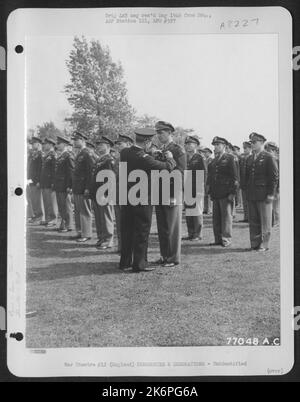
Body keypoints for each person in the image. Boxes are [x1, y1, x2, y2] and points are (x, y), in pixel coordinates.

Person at [119, 127, 176, 273]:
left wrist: (149, 152)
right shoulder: (143, 158)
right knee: (142, 231)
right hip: (142, 199)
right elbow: (166, 167)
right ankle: (139, 264)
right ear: (147, 141)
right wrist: (170, 157)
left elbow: (137, 155)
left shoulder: (125, 152)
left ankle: (125, 262)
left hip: (126, 198)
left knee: (127, 231)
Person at [154, 121, 187, 267]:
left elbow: (179, 172)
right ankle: (165, 255)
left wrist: (174, 194)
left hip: (171, 191)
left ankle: (173, 257)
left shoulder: (177, 149)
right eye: (158, 133)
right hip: (160, 191)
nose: (159, 135)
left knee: (172, 227)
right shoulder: (161, 149)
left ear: (169, 133)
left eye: (161, 132)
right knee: (162, 226)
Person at [245, 132, 279, 251]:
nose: (252, 144)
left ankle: (264, 244)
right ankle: (254, 243)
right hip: (252, 193)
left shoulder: (269, 157)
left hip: (264, 194)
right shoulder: (250, 158)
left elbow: (274, 177)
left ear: (262, 143)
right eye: (251, 142)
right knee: (253, 220)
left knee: (265, 221)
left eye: (254, 142)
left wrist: (271, 194)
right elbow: (247, 177)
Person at [207, 136, 239, 247]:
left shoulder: (230, 158)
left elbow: (235, 178)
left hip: (226, 193)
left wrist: (232, 193)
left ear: (224, 146)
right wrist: (210, 191)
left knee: (226, 217)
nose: (215, 147)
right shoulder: (213, 160)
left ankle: (226, 239)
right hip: (216, 193)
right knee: (216, 218)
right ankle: (218, 239)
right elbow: (211, 177)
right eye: (214, 145)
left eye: (218, 145)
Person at [91, 136, 116, 250]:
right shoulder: (100, 159)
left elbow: (110, 178)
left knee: (106, 217)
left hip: (105, 193)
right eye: (98, 145)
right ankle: (101, 238)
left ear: (108, 147)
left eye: (101, 145)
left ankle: (108, 240)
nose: (98, 147)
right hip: (97, 192)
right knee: (99, 217)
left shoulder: (109, 160)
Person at [71, 131, 94, 242]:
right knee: (78, 211)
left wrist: (88, 188)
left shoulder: (87, 153)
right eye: (74, 140)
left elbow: (90, 172)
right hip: (77, 187)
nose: (74, 141)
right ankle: (80, 232)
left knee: (85, 211)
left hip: (83, 187)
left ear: (83, 140)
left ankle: (86, 234)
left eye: (76, 140)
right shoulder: (80, 153)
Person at [113, 134, 134, 254]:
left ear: (129, 144)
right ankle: (122, 246)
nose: (117, 146)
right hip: (118, 194)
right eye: (117, 144)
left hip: (128, 195)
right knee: (119, 222)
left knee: (128, 223)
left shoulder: (132, 157)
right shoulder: (118, 158)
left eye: (120, 143)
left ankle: (128, 247)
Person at [183, 135, 206, 241]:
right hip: (187, 187)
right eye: (186, 144)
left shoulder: (199, 157)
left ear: (195, 145)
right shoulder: (185, 157)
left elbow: (204, 173)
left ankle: (198, 234)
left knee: (197, 212)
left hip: (197, 188)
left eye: (189, 144)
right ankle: (191, 233)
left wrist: (201, 189)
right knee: (189, 212)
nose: (187, 146)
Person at [54, 135, 75, 232]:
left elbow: (71, 172)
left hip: (65, 185)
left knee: (67, 206)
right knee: (61, 205)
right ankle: (64, 223)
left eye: (59, 143)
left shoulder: (68, 156)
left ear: (65, 144)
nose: (57, 145)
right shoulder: (61, 156)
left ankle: (69, 225)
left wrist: (70, 186)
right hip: (59, 185)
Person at [39, 137, 58, 227]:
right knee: (46, 202)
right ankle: (47, 219)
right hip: (45, 182)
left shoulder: (54, 155)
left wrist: (53, 182)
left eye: (46, 144)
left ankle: (53, 219)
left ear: (51, 145)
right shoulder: (47, 155)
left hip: (50, 182)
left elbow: (55, 170)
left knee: (51, 202)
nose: (44, 145)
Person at [27, 136, 44, 224]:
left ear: (38, 144)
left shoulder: (41, 155)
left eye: (33, 144)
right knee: (33, 199)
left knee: (38, 200)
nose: (32, 145)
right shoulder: (33, 154)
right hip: (31, 180)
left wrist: (39, 181)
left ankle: (39, 217)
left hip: (36, 181)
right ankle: (36, 216)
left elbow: (41, 169)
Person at [239, 141, 252, 222]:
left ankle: (251, 218)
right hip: (243, 183)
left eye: (246, 148)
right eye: (243, 148)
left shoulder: (252, 157)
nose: (244, 150)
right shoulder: (243, 158)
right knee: (245, 202)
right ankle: (246, 217)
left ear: (250, 148)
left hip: (250, 184)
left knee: (250, 202)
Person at [203, 147, 213, 215]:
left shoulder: (211, 160)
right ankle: (205, 208)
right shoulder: (205, 160)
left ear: (209, 153)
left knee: (209, 194)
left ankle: (209, 209)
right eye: (204, 152)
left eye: (206, 152)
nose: (205, 153)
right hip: (204, 178)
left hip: (209, 178)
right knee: (205, 195)